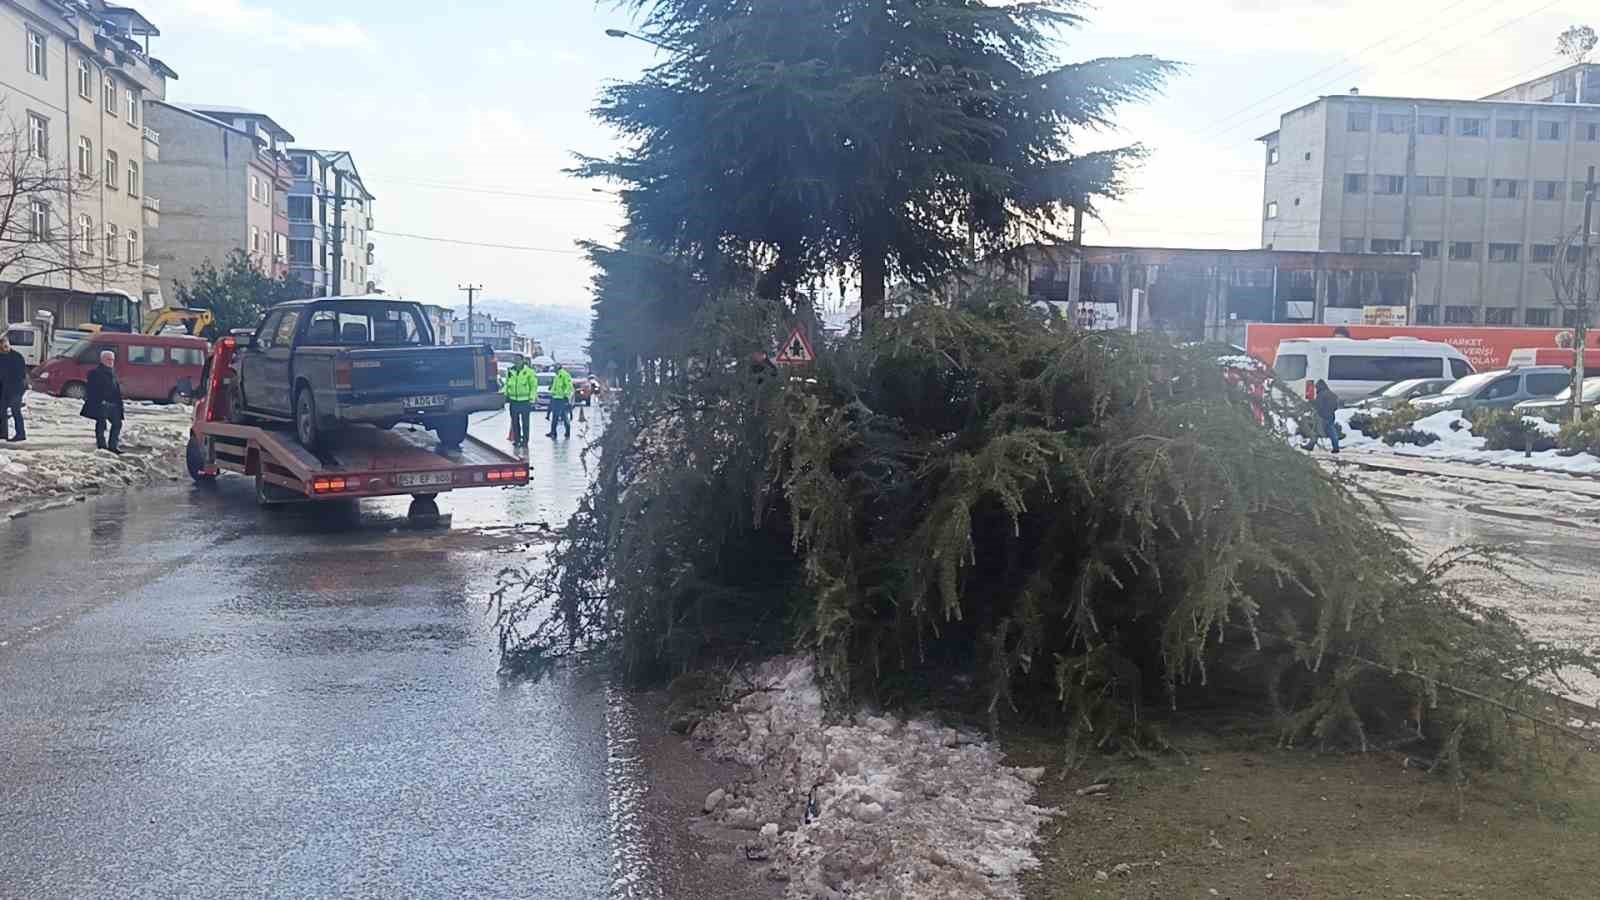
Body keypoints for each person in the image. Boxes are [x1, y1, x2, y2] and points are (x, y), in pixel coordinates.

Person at [82, 349, 124, 454]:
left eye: (112, 360)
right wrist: (99, 401)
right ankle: (101, 445)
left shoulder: (113, 372)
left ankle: (113, 446)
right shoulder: (95, 373)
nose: (111, 362)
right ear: (102, 360)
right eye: (108, 359)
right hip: (102, 403)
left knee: (117, 424)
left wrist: (119, 403)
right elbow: (91, 390)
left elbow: (116, 389)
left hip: (114, 404)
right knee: (101, 424)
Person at [502, 354, 537, 448]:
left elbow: (533, 386)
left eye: (518, 360)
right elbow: (507, 384)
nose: (516, 362)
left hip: (525, 401)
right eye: (515, 360)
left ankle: (525, 441)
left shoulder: (529, 372)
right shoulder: (510, 371)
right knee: (515, 422)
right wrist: (504, 395)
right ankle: (517, 440)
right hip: (513, 401)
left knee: (525, 423)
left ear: (522, 361)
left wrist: (532, 398)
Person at [0, 336, 25, 442]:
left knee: (16, 411)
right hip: (3, 389)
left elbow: (21, 375)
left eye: (5, 346)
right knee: (2, 412)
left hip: (16, 389)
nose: (3, 349)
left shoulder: (17, 357)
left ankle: (20, 434)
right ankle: (3, 434)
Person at [1312, 379, 1341, 454]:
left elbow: (1318, 405)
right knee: (1332, 431)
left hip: (1322, 416)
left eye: (1316, 387)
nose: (1316, 389)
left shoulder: (1321, 394)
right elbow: (1336, 406)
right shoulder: (1331, 394)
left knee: (1316, 430)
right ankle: (1336, 447)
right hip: (1331, 415)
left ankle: (1310, 445)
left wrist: (1318, 411)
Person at [547, 362, 575, 439]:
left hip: (561, 399)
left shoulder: (564, 375)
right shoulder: (557, 375)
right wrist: (552, 392)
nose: (554, 369)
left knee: (558, 416)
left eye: (555, 368)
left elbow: (569, 386)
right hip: (556, 398)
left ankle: (556, 432)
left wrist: (565, 395)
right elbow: (555, 387)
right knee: (560, 415)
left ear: (558, 367)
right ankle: (554, 432)